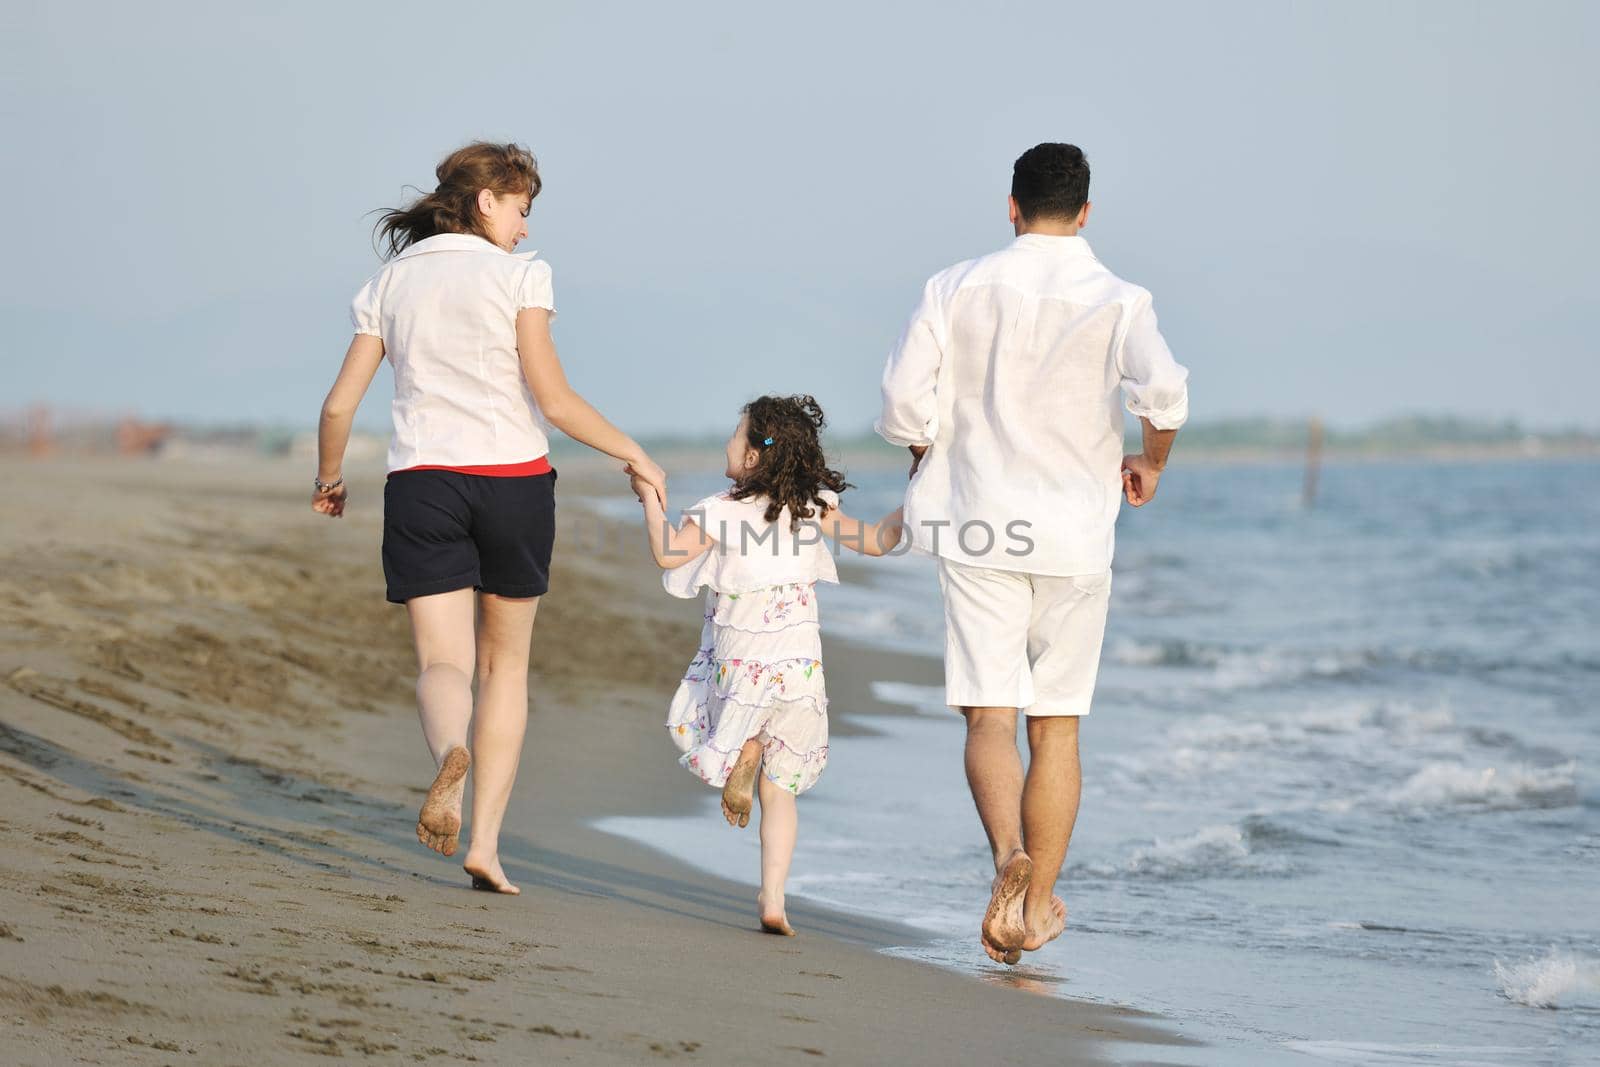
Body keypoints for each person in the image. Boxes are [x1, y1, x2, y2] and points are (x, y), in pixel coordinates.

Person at [312, 141, 666, 895]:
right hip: (513, 483)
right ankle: (487, 847)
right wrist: (635, 452)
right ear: (486, 202)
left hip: (423, 481)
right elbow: (555, 399)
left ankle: (449, 749)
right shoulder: (520, 276)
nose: (525, 230)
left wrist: (330, 478)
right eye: (521, 210)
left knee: (444, 666)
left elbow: (340, 404)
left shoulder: (389, 282)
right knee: (507, 668)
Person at [875, 143, 1190, 964]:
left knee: (988, 714)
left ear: (1010, 206)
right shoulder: (1121, 298)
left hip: (979, 523)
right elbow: (1165, 394)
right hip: (1075, 534)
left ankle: (1007, 859)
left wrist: (925, 454)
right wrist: (1151, 461)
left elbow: (904, 403)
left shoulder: (954, 286)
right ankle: (1034, 905)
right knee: (1057, 729)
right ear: (1086, 212)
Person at [627, 395, 903, 936]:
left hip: (742, 661)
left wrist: (648, 498)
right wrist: (917, 495)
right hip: (799, 669)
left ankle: (743, 749)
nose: (728, 442)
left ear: (753, 456)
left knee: (703, 719)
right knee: (782, 789)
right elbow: (877, 541)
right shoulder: (812, 507)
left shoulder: (720, 511)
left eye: (737, 434)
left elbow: (667, 554)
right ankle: (773, 900)